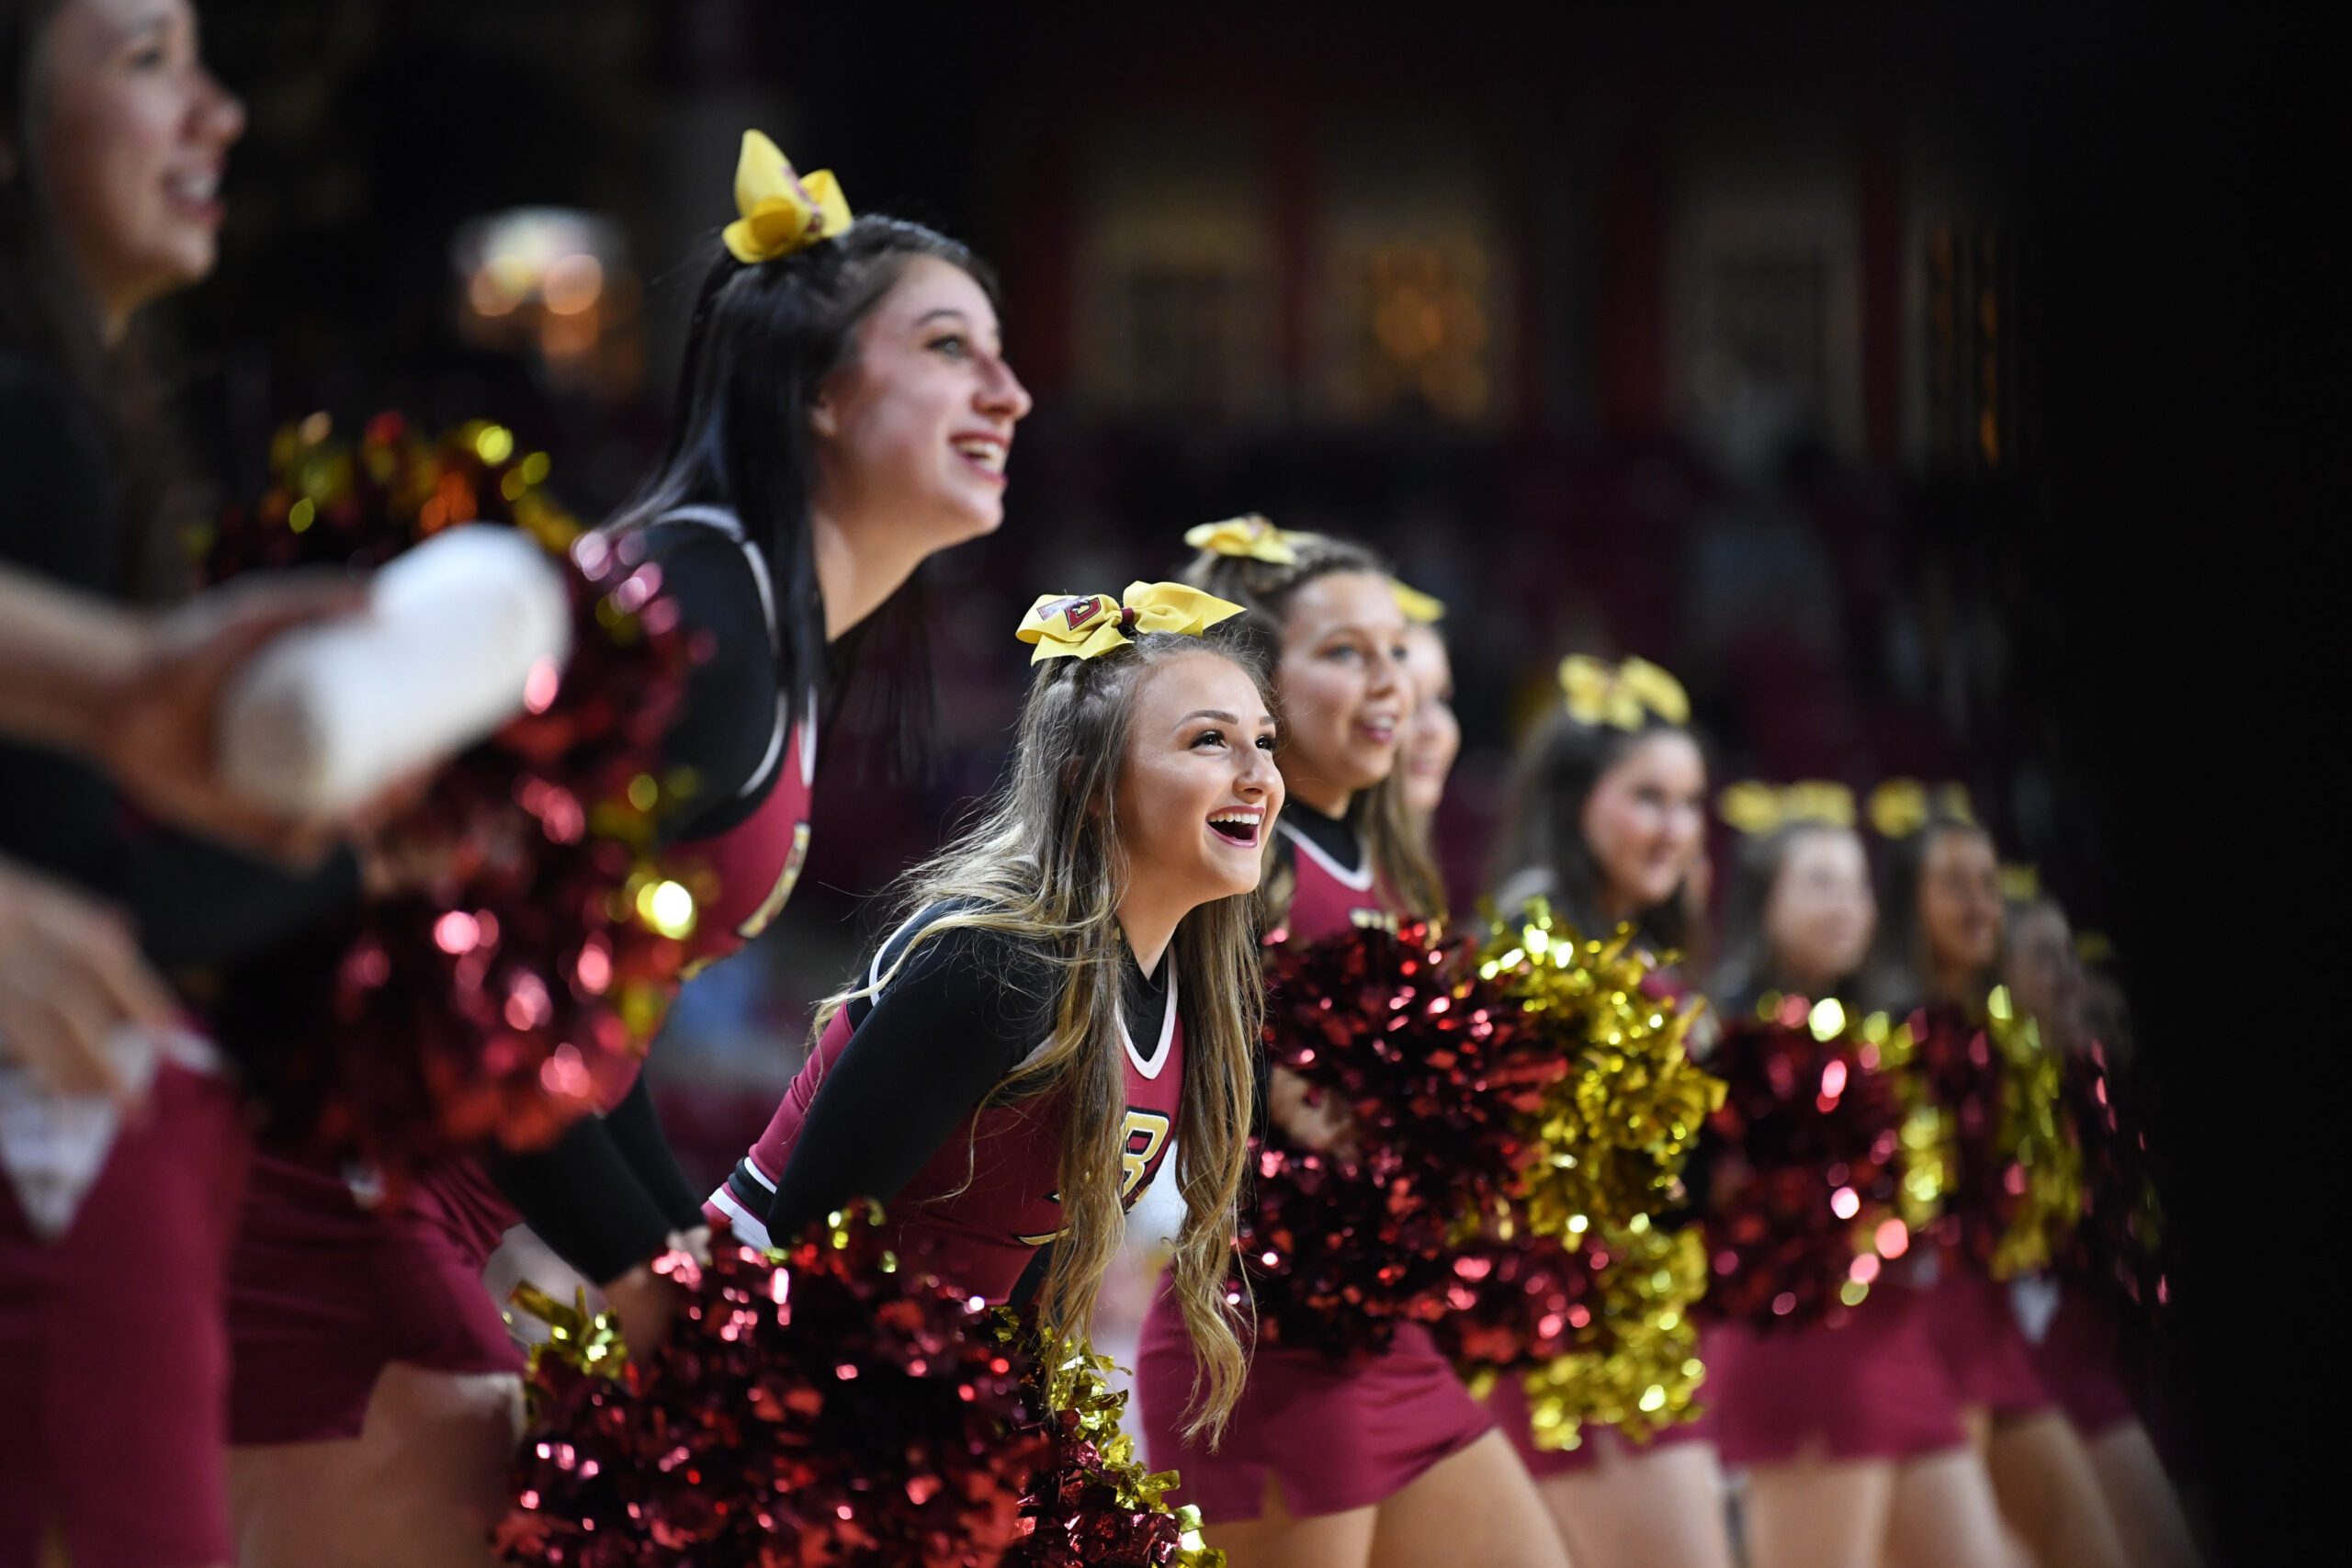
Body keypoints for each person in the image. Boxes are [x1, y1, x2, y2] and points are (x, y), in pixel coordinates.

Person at [222, 131, 1035, 1568]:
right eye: (949, 344)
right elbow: (453, 964)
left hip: (408, 1214)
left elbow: (584, 1031)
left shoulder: (757, 623)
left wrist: (707, 1270)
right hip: (329, 1210)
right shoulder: (694, 613)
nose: (1009, 391)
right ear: (825, 391)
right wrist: (654, 1278)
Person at [0, 5, 364, 1563]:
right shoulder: (29, 419)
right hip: (60, 1162)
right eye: (145, 59)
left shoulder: (79, 416)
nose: (216, 112)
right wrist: (368, 848)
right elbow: (94, 919)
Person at [710, 583, 1273, 1447]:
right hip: (757, 1359)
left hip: (924, 1387)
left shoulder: (1184, 995)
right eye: (1210, 741)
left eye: (1263, 744)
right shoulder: (1000, 962)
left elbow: (1028, 1256)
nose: (1258, 776)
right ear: (1091, 786)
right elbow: (807, 1240)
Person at [1135, 517, 1565, 1568]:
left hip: (1385, 1332)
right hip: (1267, 1335)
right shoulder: (1241, 846)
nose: (1390, 682)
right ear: (1257, 686)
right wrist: (1256, 1075)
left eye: (1396, 652)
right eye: (1343, 653)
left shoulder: (1382, 856)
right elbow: (1133, 1010)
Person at [1702, 793, 2016, 1568]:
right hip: (1807, 1355)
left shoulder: (1876, 1030)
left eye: (1855, 885)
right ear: (1763, 901)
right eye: (1818, 884)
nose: (1845, 906)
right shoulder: (1733, 1039)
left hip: (1896, 1348)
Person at [1480, 652, 1736, 1567]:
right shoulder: (1536, 940)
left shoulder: (1638, 950)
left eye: (1689, 803)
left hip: (1634, 1343)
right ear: (1572, 800)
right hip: (1573, 1357)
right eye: (1647, 799)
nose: (1676, 829)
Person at [1862, 809, 2130, 1568]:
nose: (1983, 904)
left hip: (1996, 1332)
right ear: (1907, 899)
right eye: (1956, 885)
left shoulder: (1997, 1031)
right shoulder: (1892, 1035)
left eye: (1987, 882)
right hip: (1930, 1336)